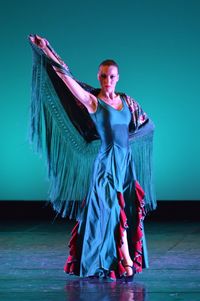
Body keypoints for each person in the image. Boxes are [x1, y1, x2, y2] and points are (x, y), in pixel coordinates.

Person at [28, 34, 156, 282]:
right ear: (98, 77)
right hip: (106, 164)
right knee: (110, 210)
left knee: (126, 209)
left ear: (117, 78)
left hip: (125, 164)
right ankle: (126, 258)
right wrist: (47, 51)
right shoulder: (93, 101)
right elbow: (67, 79)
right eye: (103, 76)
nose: (107, 80)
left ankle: (119, 258)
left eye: (111, 76)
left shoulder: (127, 101)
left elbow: (144, 124)